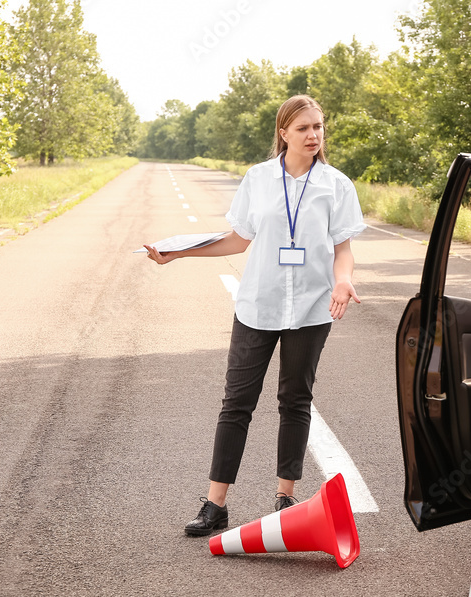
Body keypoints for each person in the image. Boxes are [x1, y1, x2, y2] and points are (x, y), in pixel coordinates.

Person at [144, 95, 366, 537]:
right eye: (303, 128)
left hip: (309, 307)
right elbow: (237, 240)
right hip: (258, 305)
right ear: (284, 132)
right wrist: (179, 253)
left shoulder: (336, 185)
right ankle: (214, 505)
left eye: (318, 127)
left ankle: (285, 499)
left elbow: (343, 248)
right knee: (236, 403)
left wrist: (343, 280)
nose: (313, 135)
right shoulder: (259, 179)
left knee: (295, 401)